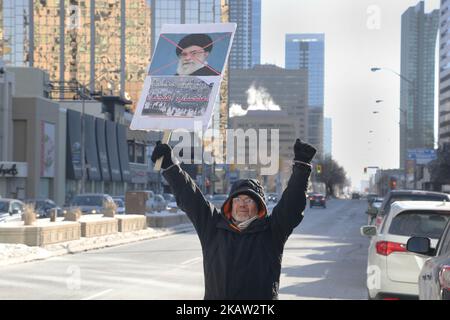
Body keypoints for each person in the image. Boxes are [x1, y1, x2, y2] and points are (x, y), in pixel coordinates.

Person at [151, 139, 316, 300]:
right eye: (237, 199)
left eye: (249, 200)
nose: (242, 204)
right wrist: (170, 166)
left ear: (259, 206)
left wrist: (301, 168)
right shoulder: (213, 227)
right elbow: (190, 196)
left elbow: (292, 206)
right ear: (230, 204)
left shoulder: (272, 232)